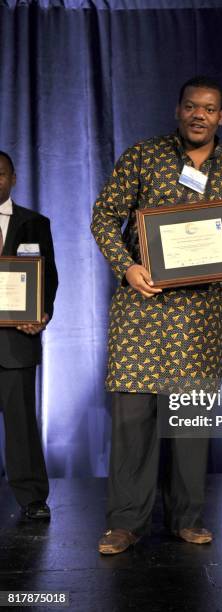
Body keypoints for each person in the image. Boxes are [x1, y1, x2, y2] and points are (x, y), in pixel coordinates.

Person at [91, 76, 222, 554]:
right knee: (133, 422)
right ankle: (125, 523)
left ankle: (187, 518)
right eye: (191, 106)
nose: (199, 115)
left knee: (190, 422)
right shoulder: (143, 155)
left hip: (199, 318)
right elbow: (104, 216)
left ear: (221, 116)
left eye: (209, 108)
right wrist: (127, 267)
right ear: (179, 110)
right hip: (140, 309)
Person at [0, 150, 58, 519]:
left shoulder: (35, 223)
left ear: (13, 178)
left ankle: (32, 498)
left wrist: (42, 313)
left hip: (16, 342)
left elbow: (47, 276)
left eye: (0, 174)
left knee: (21, 423)